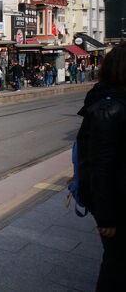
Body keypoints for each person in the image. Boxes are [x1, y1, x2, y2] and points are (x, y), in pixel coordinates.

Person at [75, 43, 126, 290]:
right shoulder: (110, 107)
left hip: (116, 197)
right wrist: (106, 217)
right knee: (117, 265)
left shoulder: (110, 101)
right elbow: (101, 165)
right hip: (115, 204)